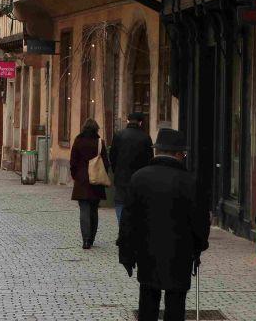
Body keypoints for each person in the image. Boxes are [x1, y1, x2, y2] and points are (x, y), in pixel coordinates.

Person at [118, 128, 209, 321]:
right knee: (176, 303)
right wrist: (199, 247)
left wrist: (126, 253)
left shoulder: (139, 178)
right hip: (180, 253)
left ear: (157, 151)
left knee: (148, 300)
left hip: (147, 252)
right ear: (178, 154)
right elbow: (200, 221)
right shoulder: (190, 181)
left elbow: (128, 220)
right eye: (183, 154)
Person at [69, 118, 109, 249]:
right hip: (96, 180)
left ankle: (85, 239)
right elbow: (106, 163)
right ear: (96, 129)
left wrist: (75, 175)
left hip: (81, 180)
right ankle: (91, 238)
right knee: (94, 210)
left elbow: (73, 161)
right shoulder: (99, 142)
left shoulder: (78, 141)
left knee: (84, 210)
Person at [108, 111, 153, 223]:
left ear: (127, 121)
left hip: (121, 177)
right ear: (140, 123)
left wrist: (116, 171)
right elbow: (150, 160)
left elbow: (112, 157)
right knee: (137, 204)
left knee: (120, 202)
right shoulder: (146, 138)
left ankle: (122, 227)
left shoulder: (118, 135)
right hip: (140, 178)